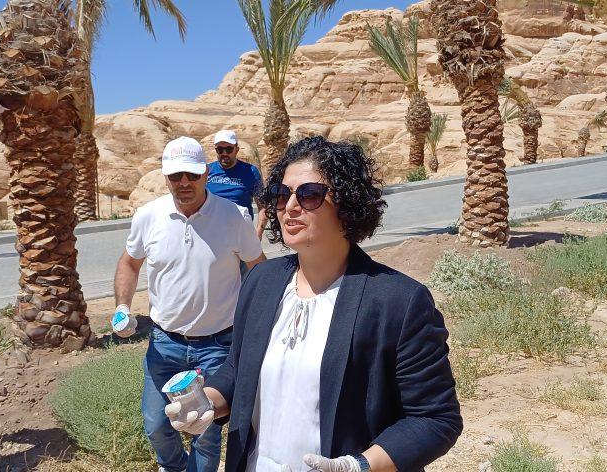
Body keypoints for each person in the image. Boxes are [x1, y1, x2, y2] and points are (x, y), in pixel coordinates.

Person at [164, 137, 463, 472]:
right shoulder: (261, 281)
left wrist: (360, 466)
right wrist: (208, 402)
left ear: (347, 203)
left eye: (309, 195)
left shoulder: (398, 301)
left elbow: (435, 419)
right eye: (281, 194)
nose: (290, 206)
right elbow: (238, 369)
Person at [112, 136, 265, 472]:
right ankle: (174, 467)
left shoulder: (234, 216)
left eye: (192, 175)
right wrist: (123, 307)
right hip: (164, 344)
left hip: (217, 346)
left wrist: (258, 320)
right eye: (175, 175)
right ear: (165, 176)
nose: (184, 183)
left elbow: (258, 267)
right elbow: (129, 263)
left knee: (206, 435)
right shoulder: (148, 216)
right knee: (156, 424)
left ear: (206, 174)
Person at [206, 129, 267, 240]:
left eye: (229, 149)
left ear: (236, 150)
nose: (224, 153)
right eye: (220, 149)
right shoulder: (207, 171)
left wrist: (258, 234)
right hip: (212, 234)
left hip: (241, 236)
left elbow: (262, 206)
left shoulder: (251, 172)